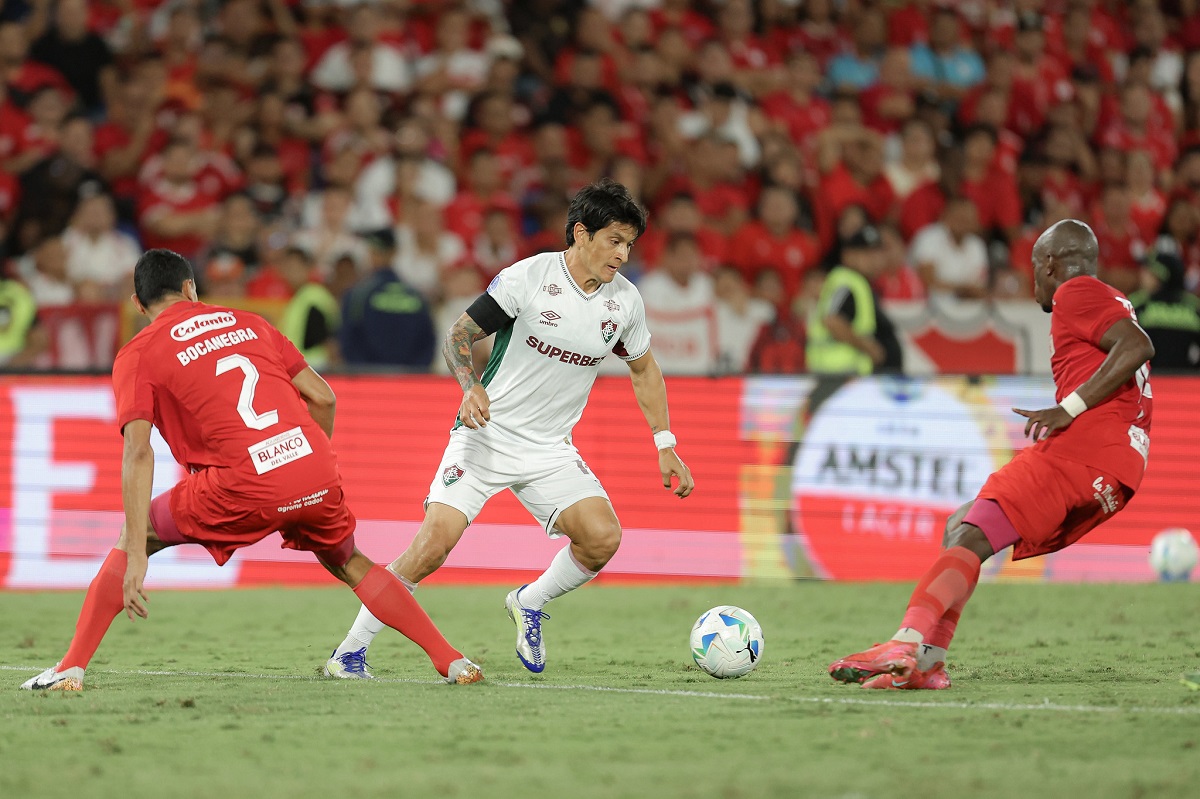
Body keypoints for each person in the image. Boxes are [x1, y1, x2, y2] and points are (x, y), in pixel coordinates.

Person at [21, 249, 482, 691]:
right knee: (351, 561)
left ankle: (70, 668)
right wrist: (303, 469)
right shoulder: (250, 322)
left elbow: (139, 452)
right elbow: (324, 397)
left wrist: (139, 551)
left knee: (133, 537)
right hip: (312, 466)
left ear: (139, 304)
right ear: (190, 287)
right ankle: (451, 659)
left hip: (240, 483)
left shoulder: (138, 353)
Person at [325, 179, 695, 678]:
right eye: (615, 241)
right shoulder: (529, 278)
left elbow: (644, 369)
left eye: (630, 244)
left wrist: (665, 442)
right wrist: (469, 385)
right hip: (486, 435)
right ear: (581, 234)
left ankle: (530, 602)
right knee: (431, 547)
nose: (623, 255)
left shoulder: (624, 302)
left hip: (549, 449)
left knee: (603, 538)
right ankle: (349, 652)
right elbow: (458, 335)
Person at [829, 220, 1154, 690]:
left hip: (1082, 453)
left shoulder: (1075, 292)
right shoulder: (1110, 298)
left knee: (971, 534)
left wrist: (1070, 408)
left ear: (1048, 264)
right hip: (1116, 472)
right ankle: (928, 665)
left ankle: (905, 642)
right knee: (964, 526)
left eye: (1034, 270)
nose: (1035, 283)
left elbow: (1138, 346)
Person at [805, 224, 903, 375]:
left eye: (877, 253)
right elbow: (832, 320)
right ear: (848, 255)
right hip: (838, 376)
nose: (874, 259)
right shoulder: (846, 282)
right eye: (866, 253)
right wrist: (869, 348)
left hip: (851, 377)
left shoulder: (860, 283)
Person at [1129, 252, 1200, 370]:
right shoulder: (1194, 306)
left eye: (1148, 272)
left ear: (1160, 278)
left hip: (1149, 381)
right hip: (1189, 381)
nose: (1142, 275)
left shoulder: (1137, 304)